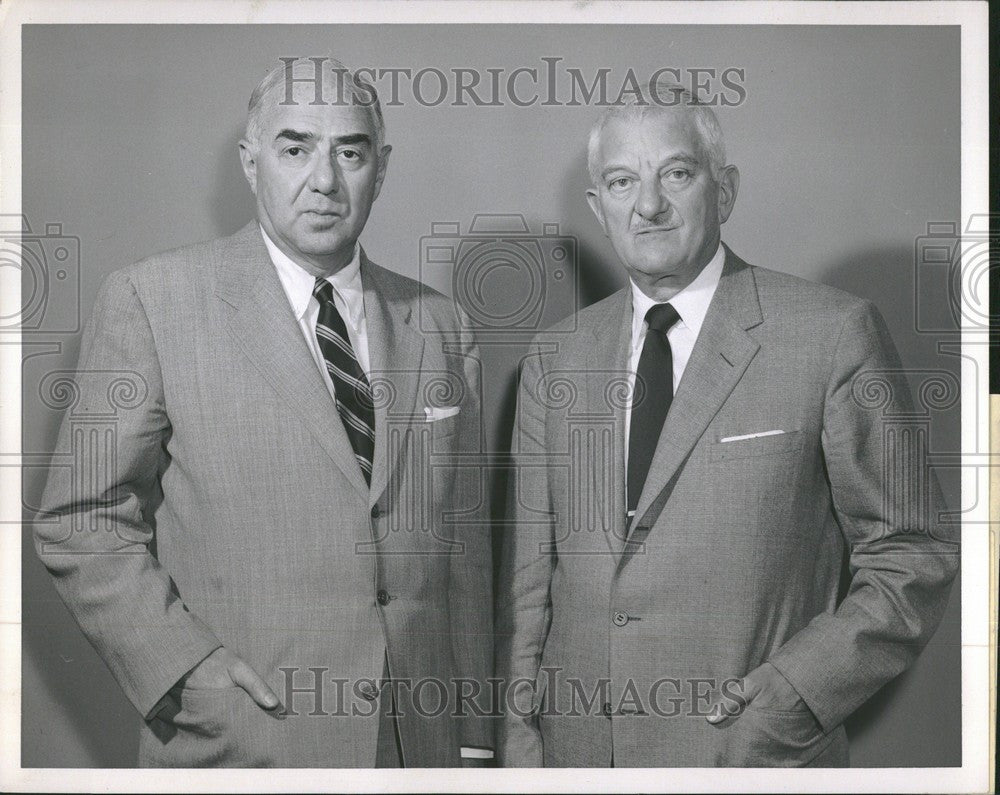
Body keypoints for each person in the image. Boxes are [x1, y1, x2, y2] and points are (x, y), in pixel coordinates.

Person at [34, 58, 493, 768]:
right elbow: (80, 519)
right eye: (295, 147)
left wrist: (471, 739)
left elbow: (461, 551)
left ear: (383, 166)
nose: (326, 180)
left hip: (415, 754)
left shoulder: (441, 326)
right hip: (244, 743)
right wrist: (188, 667)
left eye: (351, 150)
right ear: (252, 163)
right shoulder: (151, 302)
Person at [495, 83, 958, 767]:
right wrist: (520, 750)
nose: (648, 205)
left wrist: (792, 697)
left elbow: (912, 551)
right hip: (579, 764)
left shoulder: (832, 334)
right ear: (600, 207)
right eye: (622, 182)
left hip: (750, 758)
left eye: (676, 173)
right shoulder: (555, 355)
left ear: (725, 190)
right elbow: (528, 584)